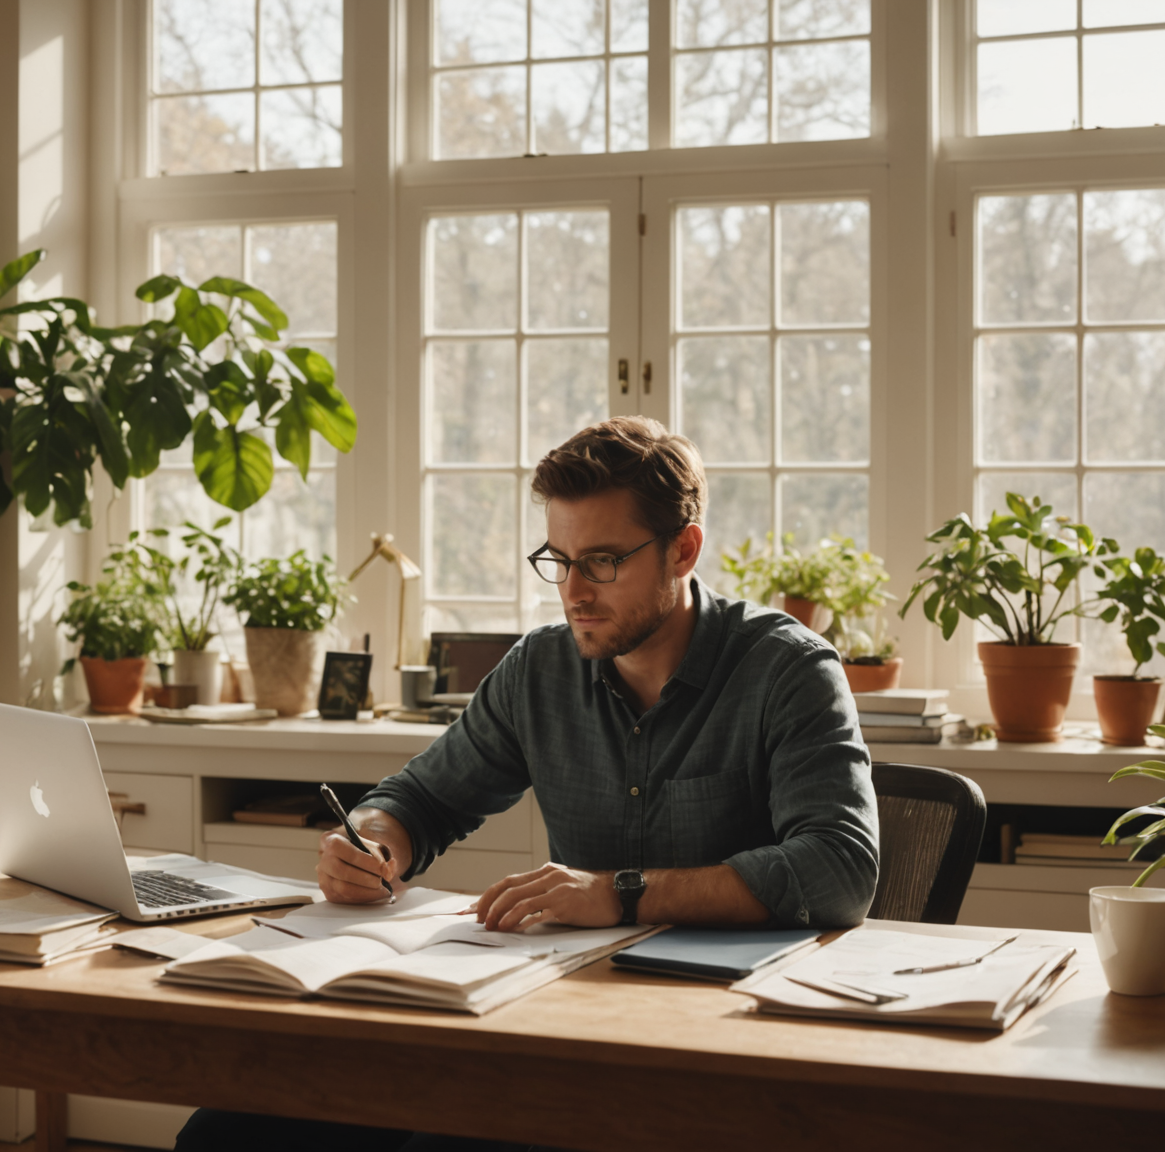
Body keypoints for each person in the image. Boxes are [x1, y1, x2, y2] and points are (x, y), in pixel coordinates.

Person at [175, 417, 879, 1152]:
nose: (574, 591)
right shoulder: (542, 668)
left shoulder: (787, 670)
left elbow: (839, 867)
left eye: (603, 562)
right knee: (225, 1133)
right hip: (556, 1018)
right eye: (558, 559)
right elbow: (424, 798)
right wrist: (376, 840)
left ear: (684, 549)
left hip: (715, 1046)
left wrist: (619, 891)